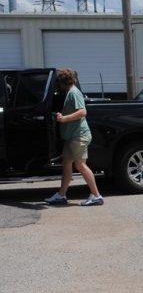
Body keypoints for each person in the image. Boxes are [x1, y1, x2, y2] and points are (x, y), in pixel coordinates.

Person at [44, 68, 104, 206]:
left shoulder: (74, 93)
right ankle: (61, 195)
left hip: (79, 136)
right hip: (72, 137)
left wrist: (64, 118)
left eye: (59, 82)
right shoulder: (70, 92)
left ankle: (96, 196)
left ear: (63, 82)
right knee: (66, 163)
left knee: (80, 165)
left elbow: (83, 112)